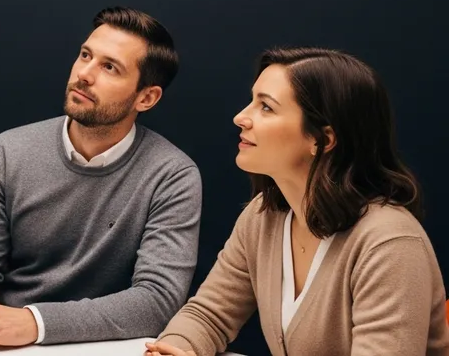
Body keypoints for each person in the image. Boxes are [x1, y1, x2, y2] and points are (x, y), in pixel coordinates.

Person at [145, 47, 449, 356]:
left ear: (322, 139)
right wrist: (173, 349)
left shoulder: (390, 244)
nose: (241, 117)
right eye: (252, 101)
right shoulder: (263, 217)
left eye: (266, 107)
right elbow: (209, 315)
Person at [0, 7, 202, 350]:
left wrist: (36, 322)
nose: (84, 74)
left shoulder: (173, 176)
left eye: (110, 67)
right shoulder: (10, 150)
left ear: (146, 97)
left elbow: (158, 300)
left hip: (104, 348)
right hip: (4, 345)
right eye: (85, 55)